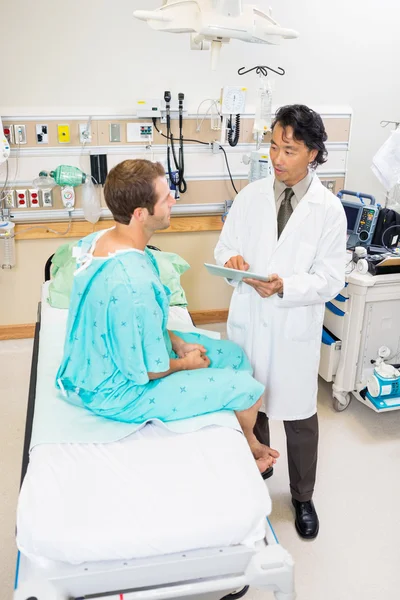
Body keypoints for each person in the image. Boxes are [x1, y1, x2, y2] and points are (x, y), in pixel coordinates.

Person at [56, 159, 279, 474]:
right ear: (141, 214)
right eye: (165, 198)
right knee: (248, 390)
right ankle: (247, 449)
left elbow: (136, 324)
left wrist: (175, 340)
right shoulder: (135, 284)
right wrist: (185, 364)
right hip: (118, 391)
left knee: (234, 354)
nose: (174, 200)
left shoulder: (105, 240)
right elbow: (147, 371)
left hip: (102, 361)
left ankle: (243, 434)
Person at [214, 105, 347, 539]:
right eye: (273, 146)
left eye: (288, 149)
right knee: (255, 402)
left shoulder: (328, 210)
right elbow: (224, 248)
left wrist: (285, 285)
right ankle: (259, 468)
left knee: (300, 418)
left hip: (292, 327)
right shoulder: (250, 197)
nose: (276, 158)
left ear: (312, 153)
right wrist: (231, 261)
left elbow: (330, 279)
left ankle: (303, 496)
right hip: (251, 319)